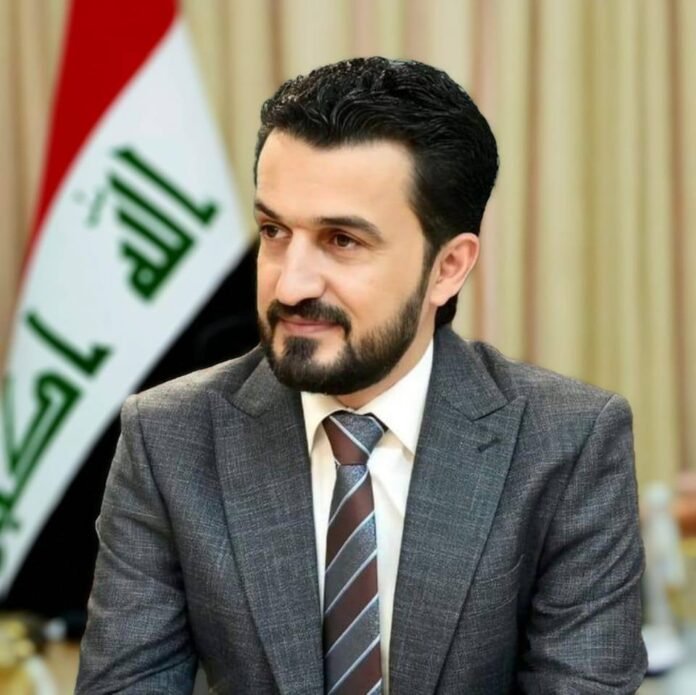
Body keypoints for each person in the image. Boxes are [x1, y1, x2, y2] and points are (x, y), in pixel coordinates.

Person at [76, 57, 647, 694]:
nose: (290, 284)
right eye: (274, 231)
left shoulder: (567, 442)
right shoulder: (170, 437)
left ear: (447, 268)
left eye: (342, 241)